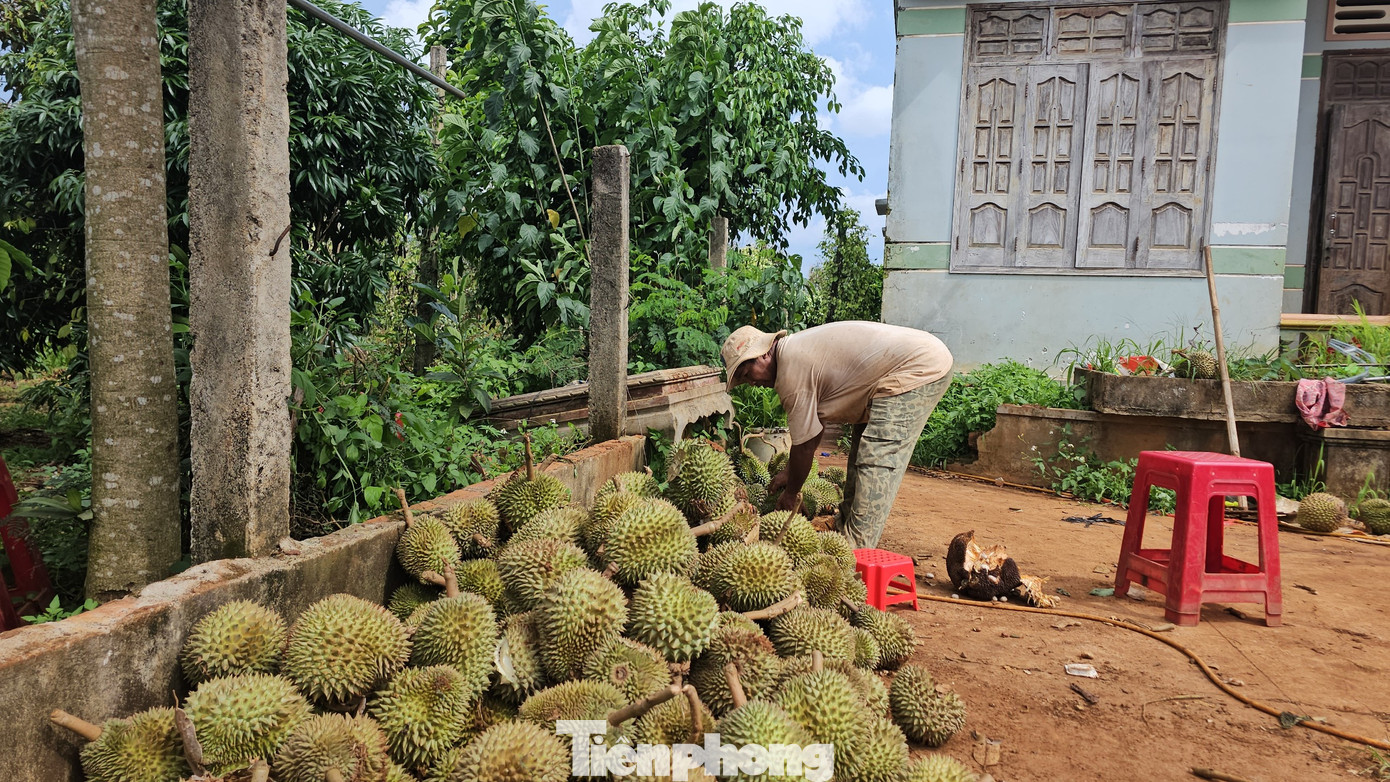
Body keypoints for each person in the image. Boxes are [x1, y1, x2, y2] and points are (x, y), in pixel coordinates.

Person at [721, 321, 954, 549]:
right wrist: (790, 471)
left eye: (747, 372)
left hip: (918, 368)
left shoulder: (792, 370)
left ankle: (857, 548)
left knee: (877, 458)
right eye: (743, 380)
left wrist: (792, 493)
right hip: (899, 369)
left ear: (763, 355)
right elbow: (813, 428)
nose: (751, 382)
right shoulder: (793, 353)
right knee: (861, 452)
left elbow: (803, 446)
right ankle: (843, 525)